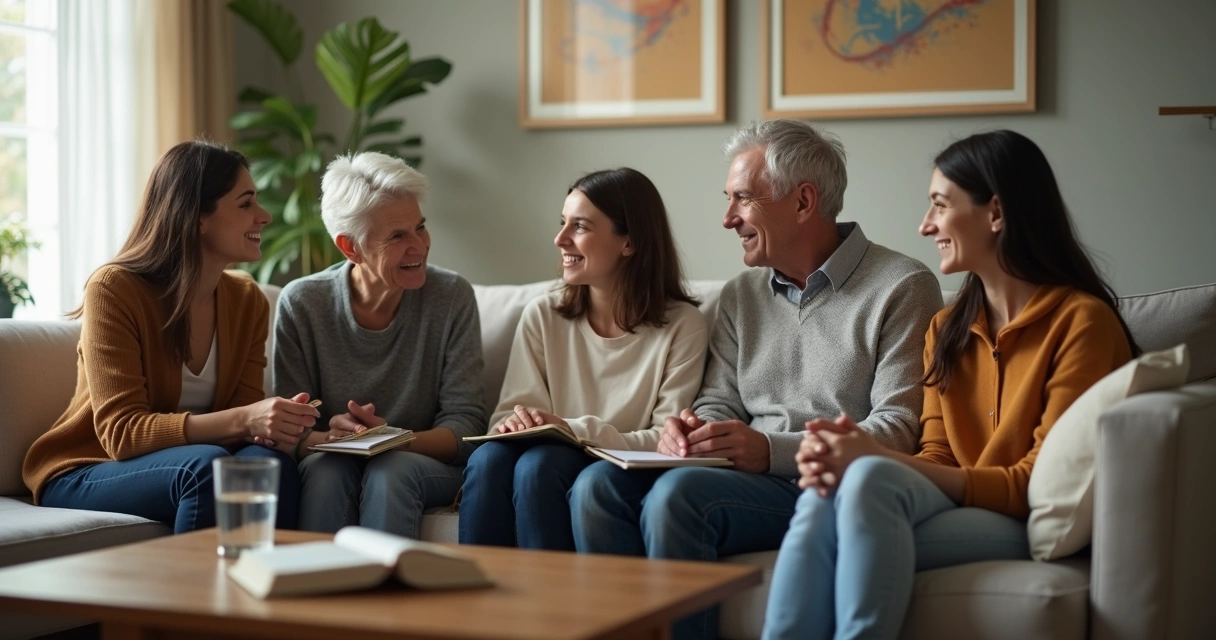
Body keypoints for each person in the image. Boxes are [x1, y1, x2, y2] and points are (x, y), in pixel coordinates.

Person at [569, 120, 944, 640]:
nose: (727, 219)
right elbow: (720, 400)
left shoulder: (902, 286)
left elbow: (900, 427)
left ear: (803, 201)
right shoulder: (741, 295)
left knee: (678, 497)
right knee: (596, 487)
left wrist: (770, 450)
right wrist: (694, 429)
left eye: (742, 199)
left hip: (822, 486)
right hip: (744, 474)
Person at [762, 130, 1139, 640]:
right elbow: (937, 454)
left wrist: (875, 460)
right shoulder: (947, 328)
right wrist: (847, 459)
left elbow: (1032, 484)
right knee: (828, 486)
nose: (925, 225)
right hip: (957, 503)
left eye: (939, 205)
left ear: (996, 213)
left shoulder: (1082, 325)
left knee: (865, 481)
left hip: (1016, 514)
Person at [23, 140, 312, 532]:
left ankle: (270, 587)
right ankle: (194, 593)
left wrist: (293, 428)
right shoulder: (115, 289)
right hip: (90, 468)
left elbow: (245, 432)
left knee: (271, 468)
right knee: (207, 468)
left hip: (188, 463)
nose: (263, 216)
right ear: (196, 217)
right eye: (246, 204)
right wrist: (247, 419)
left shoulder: (248, 300)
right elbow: (120, 434)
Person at [459, 168, 709, 551]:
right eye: (563, 223)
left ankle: (552, 605)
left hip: (617, 470)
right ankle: (473, 604)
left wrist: (572, 429)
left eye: (580, 226)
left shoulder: (683, 326)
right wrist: (517, 422)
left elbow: (666, 439)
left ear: (629, 242)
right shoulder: (544, 314)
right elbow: (504, 418)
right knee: (490, 458)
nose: (560, 239)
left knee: (539, 465)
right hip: (543, 457)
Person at [274, 152, 486, 539]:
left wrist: (392, 439)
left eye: (420, 228)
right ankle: (313, 593)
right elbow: (291, 430)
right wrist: (331, 439)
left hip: (421, 462)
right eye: (397, 236)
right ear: (350, 248)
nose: (419, 246)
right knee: (326, 469)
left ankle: (389, 598)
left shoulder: (452, 296)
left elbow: (467, 425)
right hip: (333, 459)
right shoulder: (303, 303)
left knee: (393, 469)